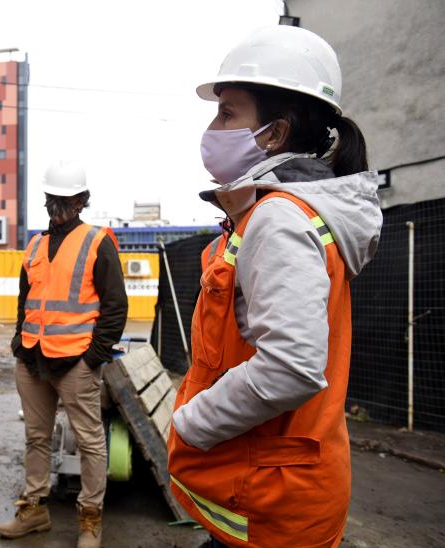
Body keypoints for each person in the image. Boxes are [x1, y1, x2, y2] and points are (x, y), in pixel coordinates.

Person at [166, 26, 383, 548]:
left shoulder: (280, 218)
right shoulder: (285, 213)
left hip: (272, 498)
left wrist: (191, 424)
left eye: (228, 113)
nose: (214, 127)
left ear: (274, 135)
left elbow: (290, 368)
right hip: (277, 484)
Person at [0, 161, 128, 548]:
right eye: (54, 197)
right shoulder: (36, 244)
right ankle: (33, 510)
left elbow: (115, 307)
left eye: (68, 198)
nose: (60, 204)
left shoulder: (97, 241)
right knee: (36, 438)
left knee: (90, 441)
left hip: (75, 363)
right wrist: (19, 344)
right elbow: (26, 300)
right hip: (32, 360)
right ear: (46, 199)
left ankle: (90, 518)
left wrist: (93, 358)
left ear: (82, 200)